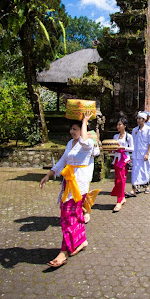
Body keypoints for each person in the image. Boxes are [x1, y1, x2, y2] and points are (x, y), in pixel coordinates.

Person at [39, 111, 94, 268]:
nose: (72, 132)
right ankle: (81, 241)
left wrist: (84, 120)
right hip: (68, 183)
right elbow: (63, 160)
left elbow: (84, 140)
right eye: (71, 129)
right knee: (73, 215)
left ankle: (64, 251)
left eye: (76, 129)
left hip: (79, 185)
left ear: (82, 129)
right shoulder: (70, 143)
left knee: (68, 216)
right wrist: (49, 175)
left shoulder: (88, 142)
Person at [127, 111, 150, 196]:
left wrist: (147, 154)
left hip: (145, 153)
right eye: (137, 119)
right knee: (135, 171)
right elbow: (132, 142)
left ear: (144, 120)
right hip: (136, 153)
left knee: (145, 170)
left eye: (140, 119)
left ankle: (146, 186)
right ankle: (134, 188)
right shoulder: (135, 130)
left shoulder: (149, 129)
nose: (138, 120)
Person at [110, 117, 134, 212]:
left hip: (123, 159)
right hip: (116, 159)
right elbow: (112, 148)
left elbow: (132, 148)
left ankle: (119, 201)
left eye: (120, 124)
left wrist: (123, 147)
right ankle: (122, 196)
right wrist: (111, 149)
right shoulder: (115, 136)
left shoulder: (128, 136)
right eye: (117, 124)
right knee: (117, 179)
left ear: (125, 126)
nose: (118, 126)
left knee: (121, 180)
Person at [82, 128, 101, 224]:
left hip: (87, 168)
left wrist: (93, 146)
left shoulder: (91, 135)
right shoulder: (76, 138)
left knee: (86, 192)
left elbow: (96, 152)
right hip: (75, 171)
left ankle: (86, 211)